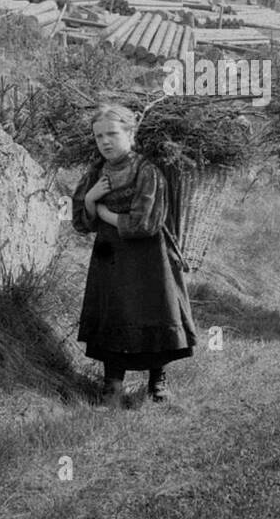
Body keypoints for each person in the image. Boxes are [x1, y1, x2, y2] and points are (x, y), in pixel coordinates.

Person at [72, 103, 197, 405]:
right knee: (114, 313)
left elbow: (147, 222)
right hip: (110, 258)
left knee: (153, 311)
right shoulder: (95, 173)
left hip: (149, 259)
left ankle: (158, 381)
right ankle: (112, 385)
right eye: (99, 136)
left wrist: (105, 213)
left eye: (113, 134)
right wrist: (90, 200)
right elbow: (80, 222)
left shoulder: (148, 172)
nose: (105, 141)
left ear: (131, 133)